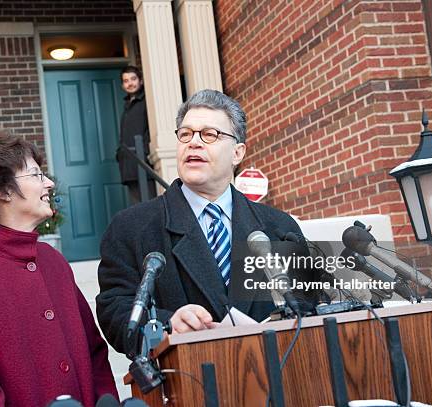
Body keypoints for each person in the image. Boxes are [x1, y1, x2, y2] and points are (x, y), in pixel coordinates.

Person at [96, 89, 319, 357]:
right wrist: (167, 324)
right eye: (186, 134)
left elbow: (311, 309)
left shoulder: (279, 227)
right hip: (186, 382)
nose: (194, 143)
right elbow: (115, 311)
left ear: (237, 153)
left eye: (209, 135)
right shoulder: (131, 227)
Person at [0, 132, 118, 407]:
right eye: (36, 175)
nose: (50, 183)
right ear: (1, 190)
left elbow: (95, 354)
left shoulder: (53, 261)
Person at [117, 65, 157, 204]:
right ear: (123, 85)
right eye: (126, 80)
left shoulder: (147, 102)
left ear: (140, 80)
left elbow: (150, 129)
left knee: (151, 206)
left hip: (144, 165)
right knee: (139, 210)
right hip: (129, 168)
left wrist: (144, 152)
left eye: (133, 79)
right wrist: (120, 155)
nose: (130, 83)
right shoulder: (127, 106)